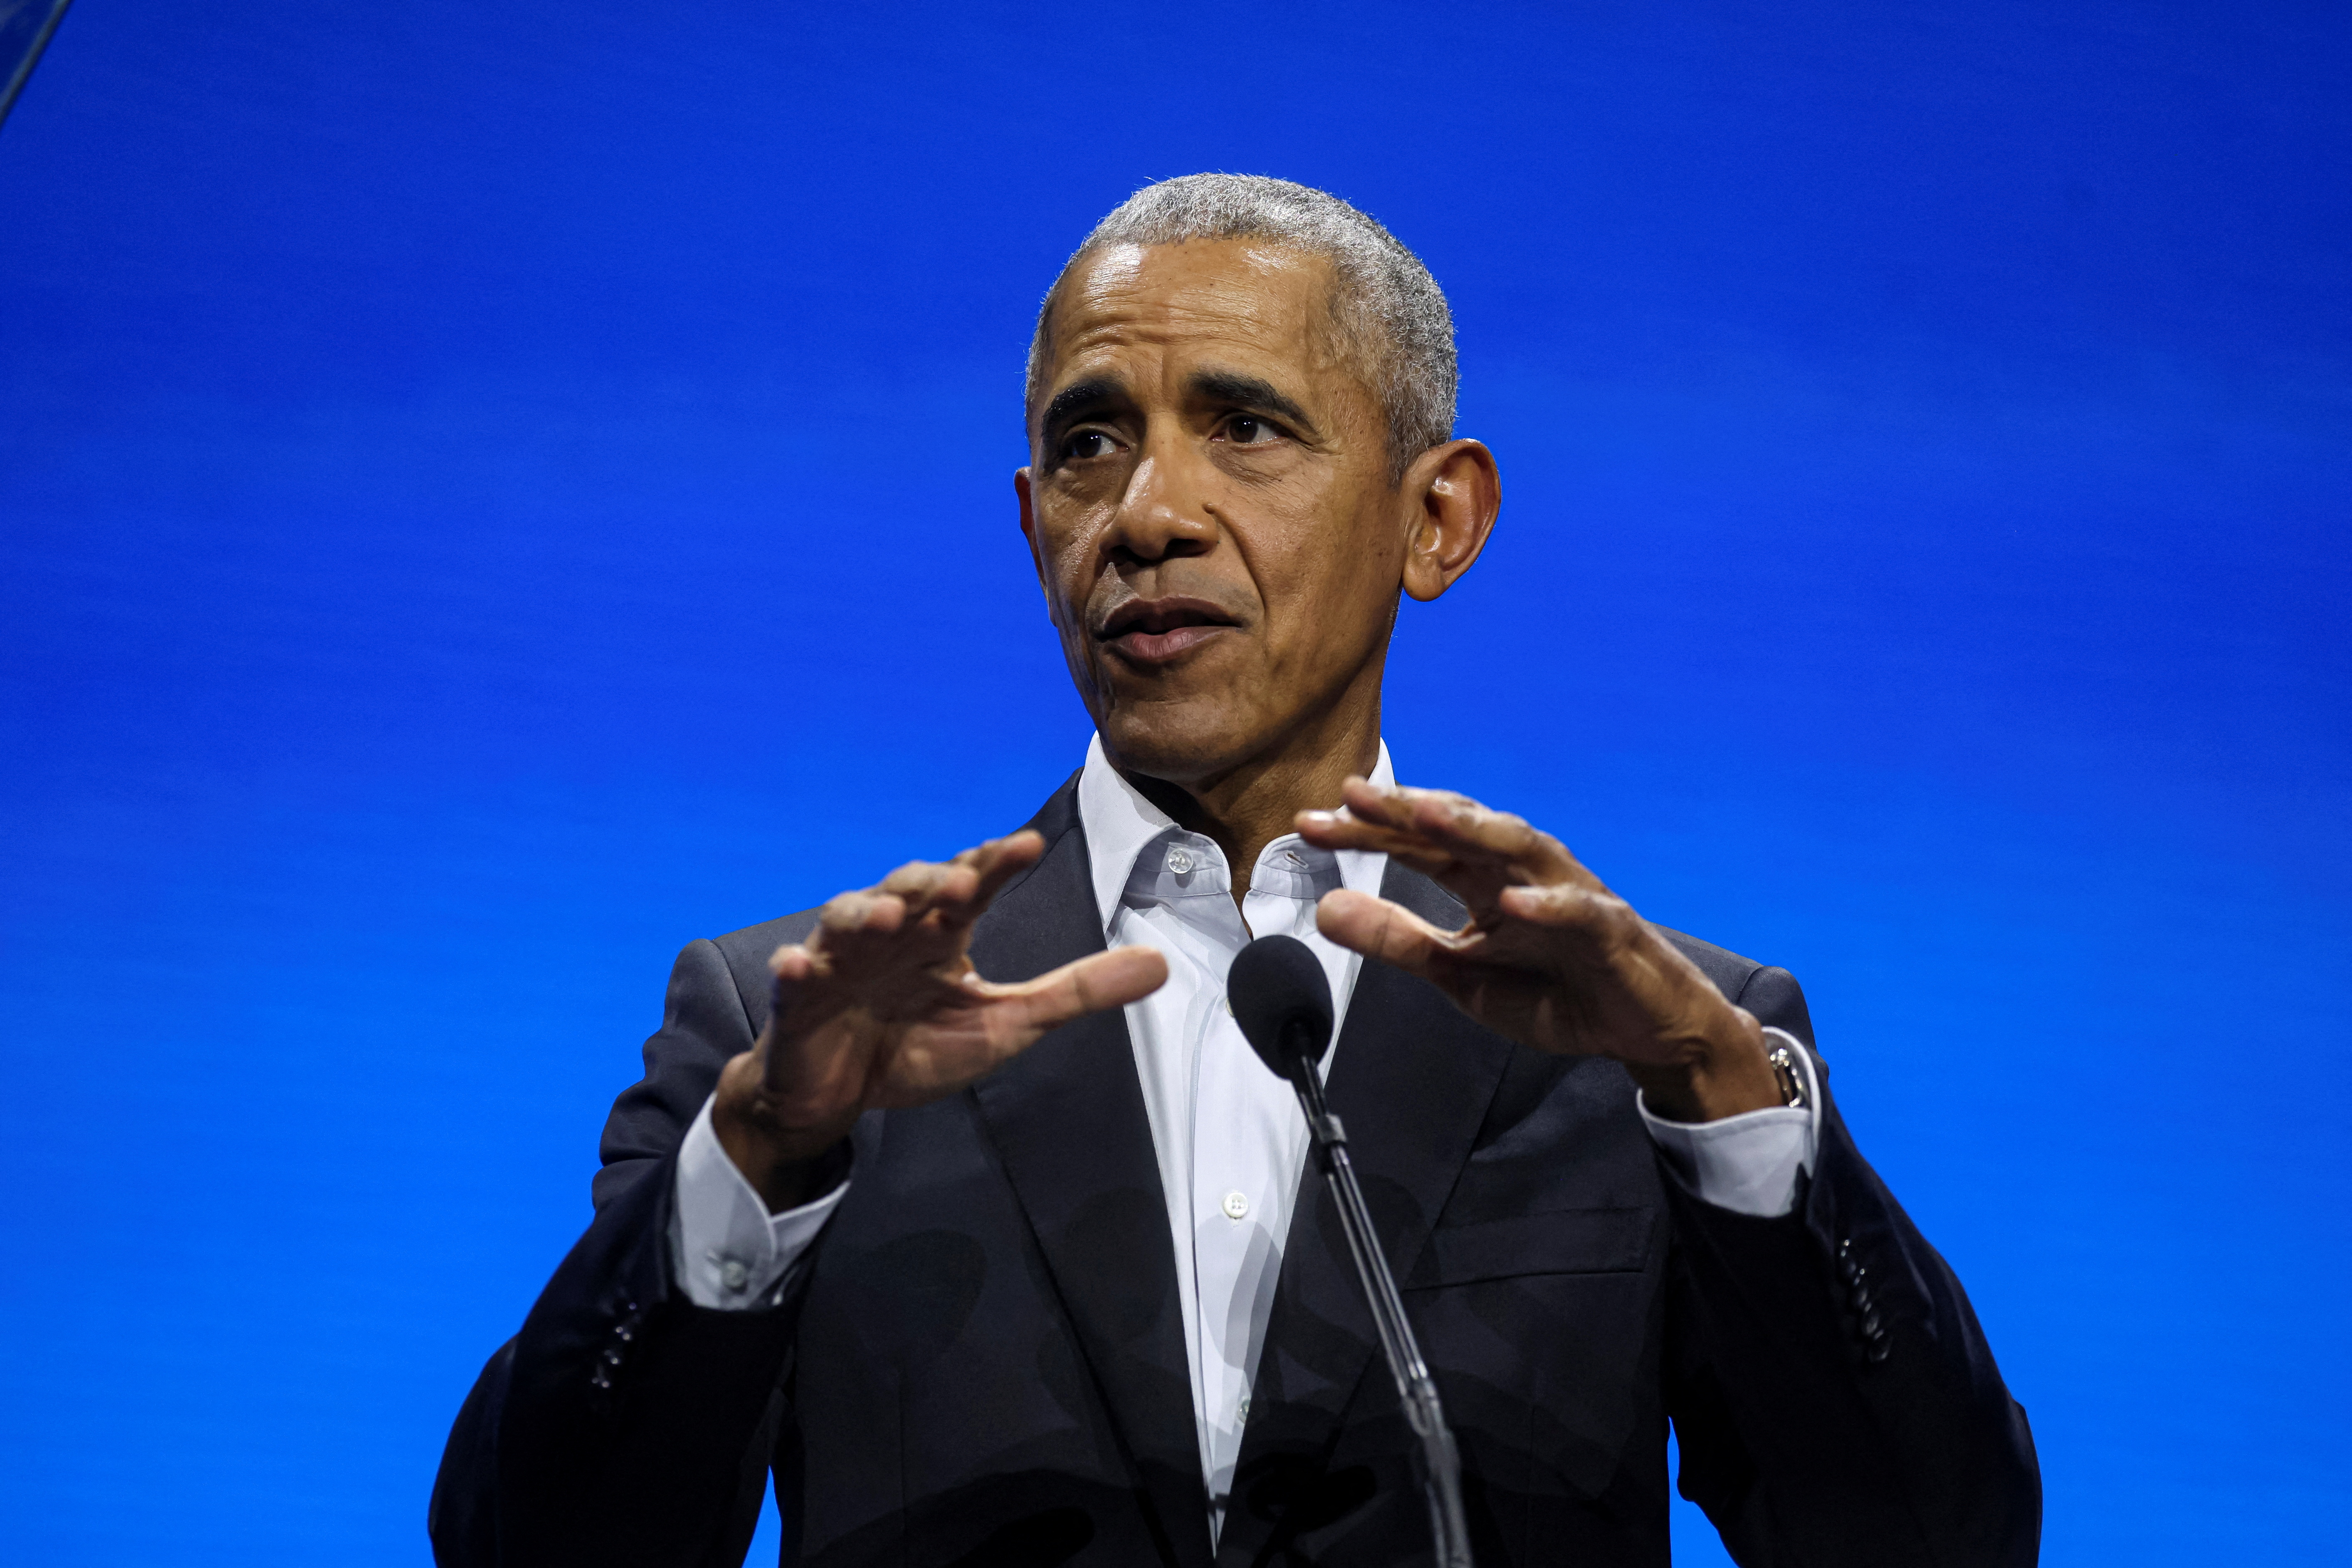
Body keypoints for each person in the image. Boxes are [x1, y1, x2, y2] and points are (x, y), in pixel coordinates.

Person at [430, 175, 2039, 1568]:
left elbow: (1933, 1539)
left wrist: (1720, 1100)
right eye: (1087, 447)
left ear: (1438, 519)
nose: (1145, 515)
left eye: (1247, 427)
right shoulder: (797, 1037)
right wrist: (763, 1159)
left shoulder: (1650, 1040)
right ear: (1029, 524)